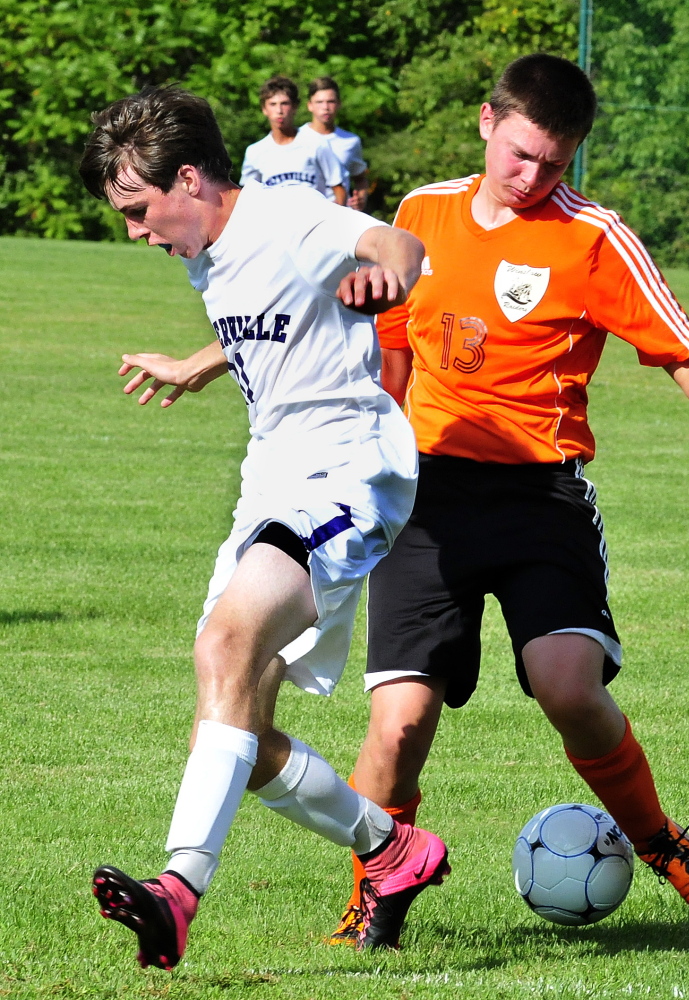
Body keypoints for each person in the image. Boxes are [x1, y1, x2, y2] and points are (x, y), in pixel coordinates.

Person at [328, 53, 689, 945]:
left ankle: (656, 841)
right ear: (488, 121)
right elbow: (392, 351)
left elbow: (683, 347)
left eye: (556, 162)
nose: (534, 177)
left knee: (566, 685)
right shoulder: (421, 213)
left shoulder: (593, 237)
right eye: (523, 154)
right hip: (425, 495)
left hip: (541, 496)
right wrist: (369, 444)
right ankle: (374, 896)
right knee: (398, 723)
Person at [78, 84, 449, 969]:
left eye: (138, 210)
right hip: (273, 476)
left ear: (193, 179)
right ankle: (394, 850)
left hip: (349, 468)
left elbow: (396, 242)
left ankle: (178, 891)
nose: (136, 232)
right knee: (239, 725)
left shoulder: (285, 213)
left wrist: (389, 271)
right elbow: (267, 316)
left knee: (226, 645)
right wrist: (202, 364)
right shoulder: (205, 247)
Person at [240, 76, 347, 204]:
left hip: (314, 220)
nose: (279, 111)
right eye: (273, 104)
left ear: (295, 107)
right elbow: (247, 198)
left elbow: (339, 189)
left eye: (284, 104)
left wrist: (333, 220)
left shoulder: (316, 143)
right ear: (264, 109)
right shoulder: (255, 152)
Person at [301, 76, 369, 211]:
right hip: (307, 214)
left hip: (341, 215)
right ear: (310, 105)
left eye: (330, 101)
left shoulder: (350, 141)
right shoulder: (298, 138)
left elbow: (360, 178)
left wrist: (360, 199)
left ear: (339, 104)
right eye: (319, 102)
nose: (325, 107)